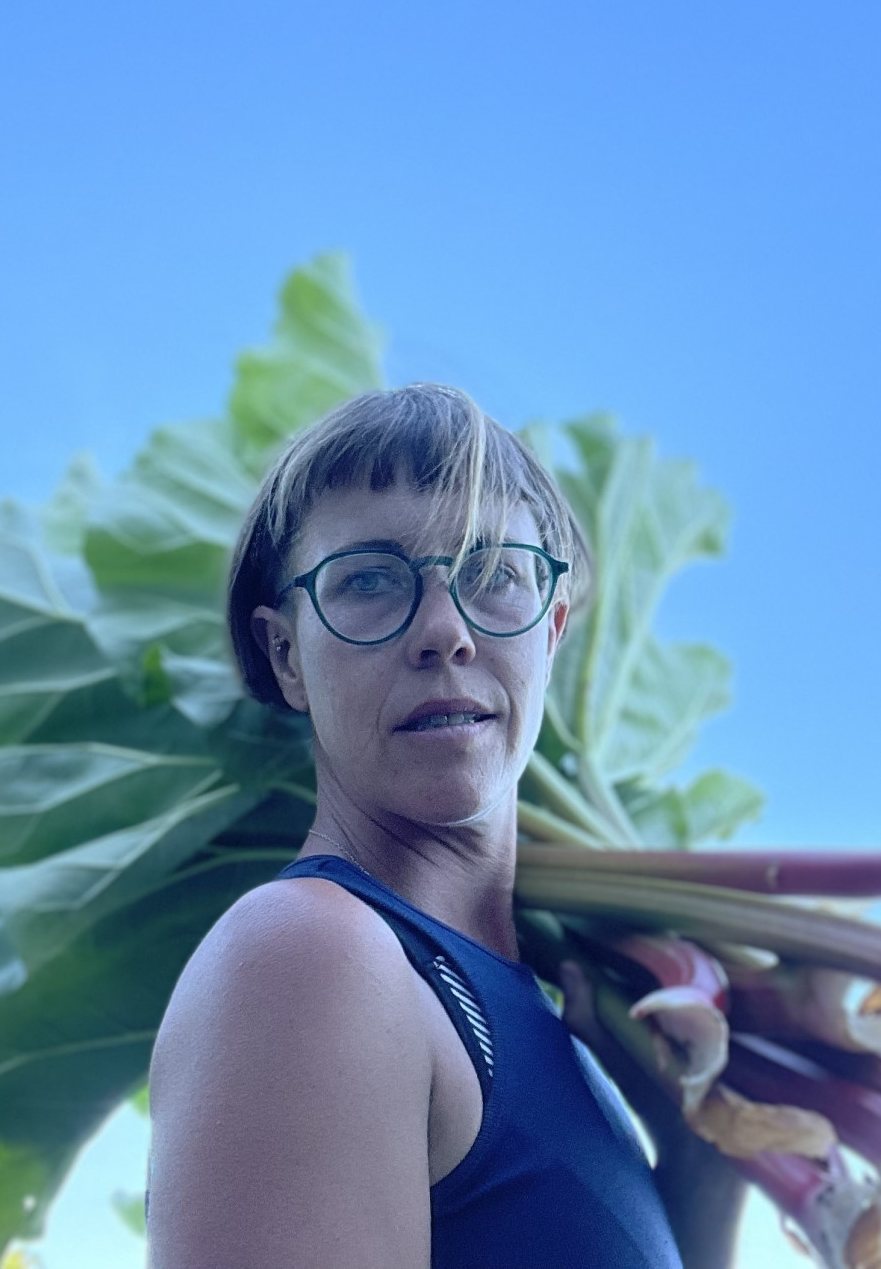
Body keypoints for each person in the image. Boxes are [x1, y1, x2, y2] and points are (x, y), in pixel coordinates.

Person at [147, 383, 746, 1269]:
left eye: (494, 573)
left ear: (552, 631)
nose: (443, 631)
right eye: (368, 580)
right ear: (287, 656)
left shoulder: (540, 1019)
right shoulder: (311, 955)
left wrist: (699, 1169)